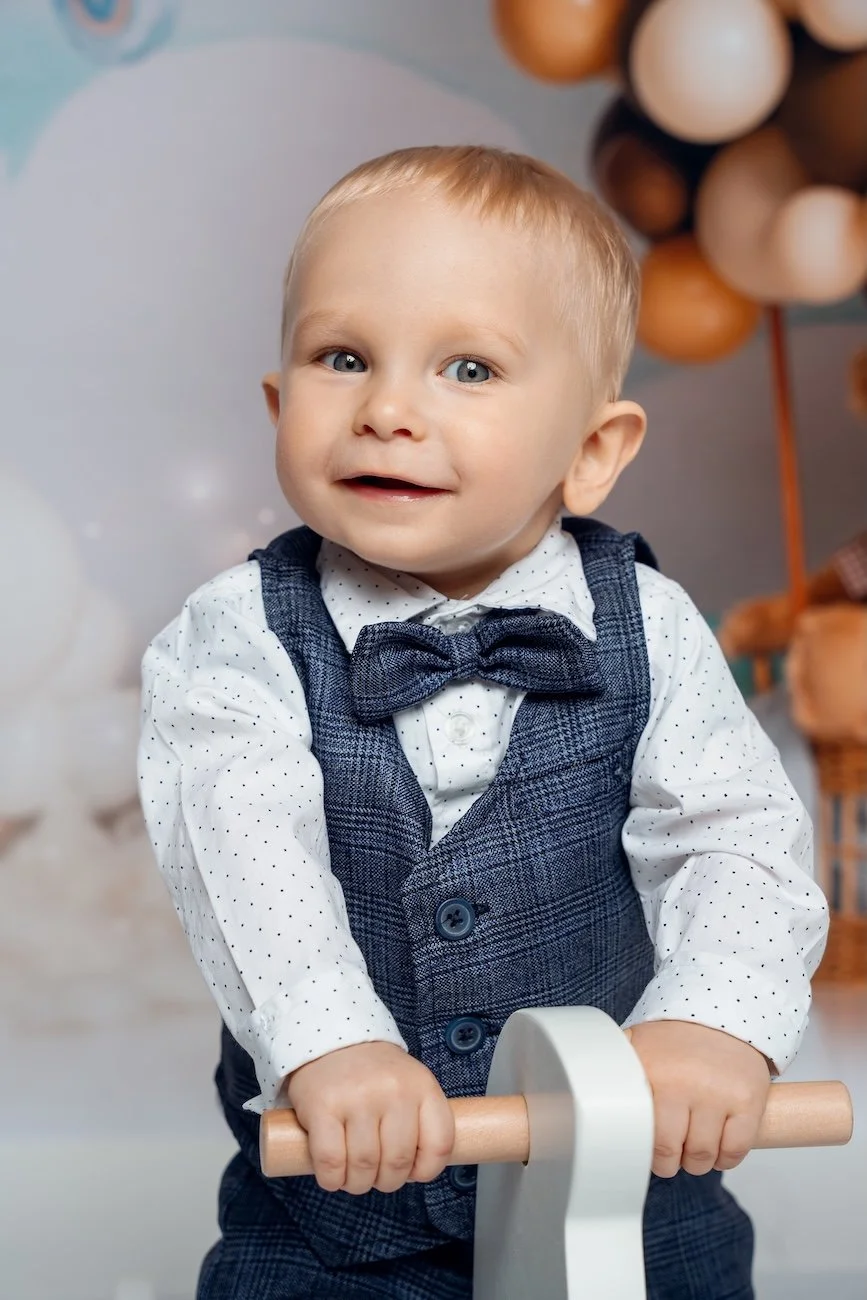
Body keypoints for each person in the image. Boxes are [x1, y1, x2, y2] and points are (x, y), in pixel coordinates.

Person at [138, 145, 828, 1299]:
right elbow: (239, 844)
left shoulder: (648, 625)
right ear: (278, 402)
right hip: (342, 1207)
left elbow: (735, 830)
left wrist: (715, 1018)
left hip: (625, 1174)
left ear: (593, 451)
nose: (389, 409)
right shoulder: (239, 636)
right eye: (342, 356)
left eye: (468, 367)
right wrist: (331, 1043)